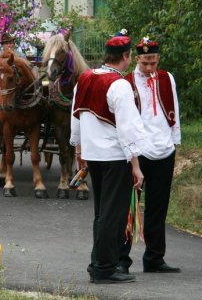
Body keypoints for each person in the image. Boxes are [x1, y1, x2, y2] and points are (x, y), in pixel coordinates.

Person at [70, 34, 146, 284]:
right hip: (115, 157)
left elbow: (76, 118)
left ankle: (98, 263)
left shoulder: (85, 78)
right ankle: (104, 267)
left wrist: (79, 152)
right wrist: (136, 165)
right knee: (113, 214)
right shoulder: (120, 85)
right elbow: (128, 129)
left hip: (93, 156)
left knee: (102, 212)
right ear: (126, 56)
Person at [119, 37, 182, 274]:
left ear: (158, 59)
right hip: (138, 152)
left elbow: (174, 108)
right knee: (129, 207)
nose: (149, 68)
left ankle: (155, 257)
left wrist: (175, 142)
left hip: (164, 149)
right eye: (145, 62)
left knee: (158, 206)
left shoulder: (167, 78)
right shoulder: (126, 82)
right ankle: (122, 260)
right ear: (136, 59)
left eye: (153, 62)